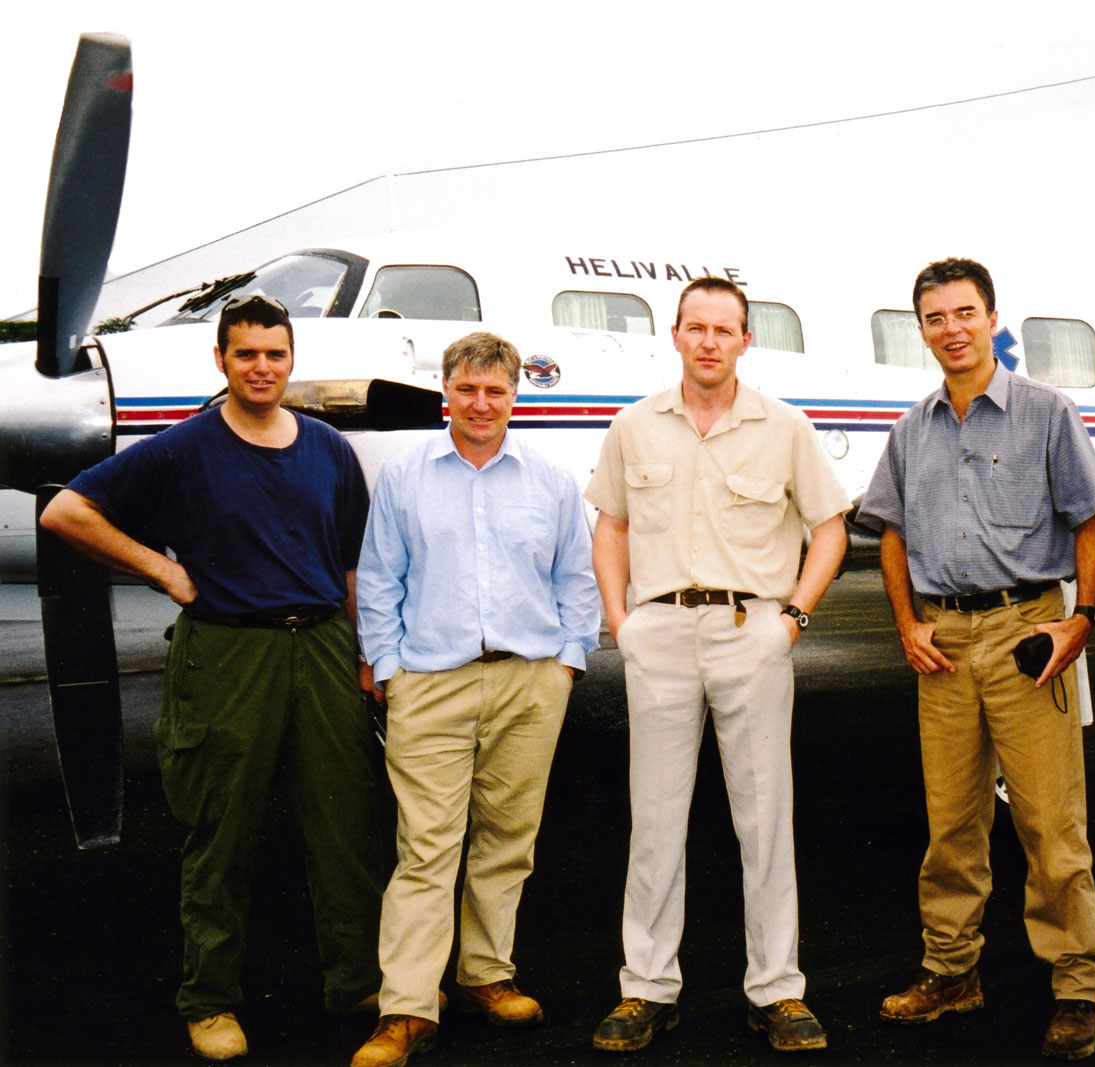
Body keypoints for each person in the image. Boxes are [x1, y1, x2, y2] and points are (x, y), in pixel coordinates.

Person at [39, 294, 385, 1061]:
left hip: (323, 644)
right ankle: (210, 999)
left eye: (274, 353)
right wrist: (163, 570)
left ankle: (356, 978)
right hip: (228, 653)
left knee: (345, 822)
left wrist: (367, 655)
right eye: (245, 354)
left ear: (291, 360)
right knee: (219, 829)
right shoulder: (183, 448)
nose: (261, 367)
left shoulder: (328, 448)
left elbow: (353, 561)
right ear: (222, 360)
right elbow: (66, 512)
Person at [855, 257, 1095, 1060]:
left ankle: (1076, 986)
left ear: (993, 319)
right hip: (945, 644)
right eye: (934, 318)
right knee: (952, 823)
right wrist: (907, 623)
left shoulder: (1046, 412)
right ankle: (951, 970)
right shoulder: (911, 427)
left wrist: (1081, 622)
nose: (951, 329)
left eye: (964, 313)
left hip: (1028, 631)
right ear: (922, 329)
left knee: (1050, 823)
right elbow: (890, 529)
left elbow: (1090, 517)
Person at [584, 276, 850, 1053]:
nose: (708, 341)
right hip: (659, 635)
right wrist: (621, 621)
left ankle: (777, 990)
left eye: (723, 329)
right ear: (674, 335)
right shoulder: (634, 426)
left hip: (752, 631)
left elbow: (829, 528)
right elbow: (611, 527)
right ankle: (647, 988)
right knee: (655, 818)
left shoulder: (785, 428)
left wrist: (792, 620)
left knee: (764, 818)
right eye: (695, 327)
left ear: (744, 341)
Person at [348, 332, 600, 1067]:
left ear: (516, 395)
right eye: (467, 389)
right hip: (430, 682)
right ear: (446, 392)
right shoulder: (404, 476)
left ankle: (488, 974)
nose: (481, 403)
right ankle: (407, 1006)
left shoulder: (551, 479)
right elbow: (380, 575)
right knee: (426, 846)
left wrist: (568, 663)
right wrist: (389, 667)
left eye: (496, 390)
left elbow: (574, 578)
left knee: (506, 840)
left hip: (530, 681)